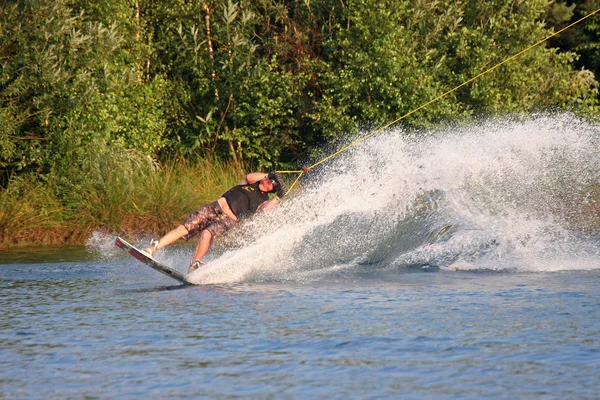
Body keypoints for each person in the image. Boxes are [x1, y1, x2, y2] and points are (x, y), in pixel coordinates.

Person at [142, 171, 287, 273]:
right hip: (214, 207)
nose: (265, 181)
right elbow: (249, 176)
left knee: (206, 234)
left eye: (269, 183)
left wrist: (278, 197)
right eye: (266, 179)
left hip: (229, 220)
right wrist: (269, 174)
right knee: (185, 228)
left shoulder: (264, 200)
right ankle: (153, 249)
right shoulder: (249, 183)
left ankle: (194, 266)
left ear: (272, 189)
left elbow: (265, 210)